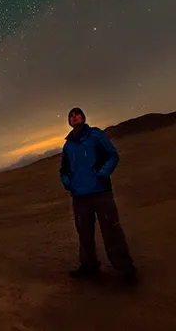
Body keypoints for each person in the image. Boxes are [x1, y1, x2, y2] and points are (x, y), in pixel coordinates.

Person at [59, 107, 137, 283]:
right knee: (84, 233)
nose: (74, 117)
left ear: (84, 118)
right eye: (71, 116)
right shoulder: (68, 144)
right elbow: (64, 168)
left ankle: (126, 269)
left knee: (111, 230)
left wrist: (102, 174)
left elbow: (112, 155)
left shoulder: (96, 135)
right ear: (69, 122)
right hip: (79, 196)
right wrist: (67, 182)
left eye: (77, 114)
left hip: (100, 192)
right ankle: (89, 266)